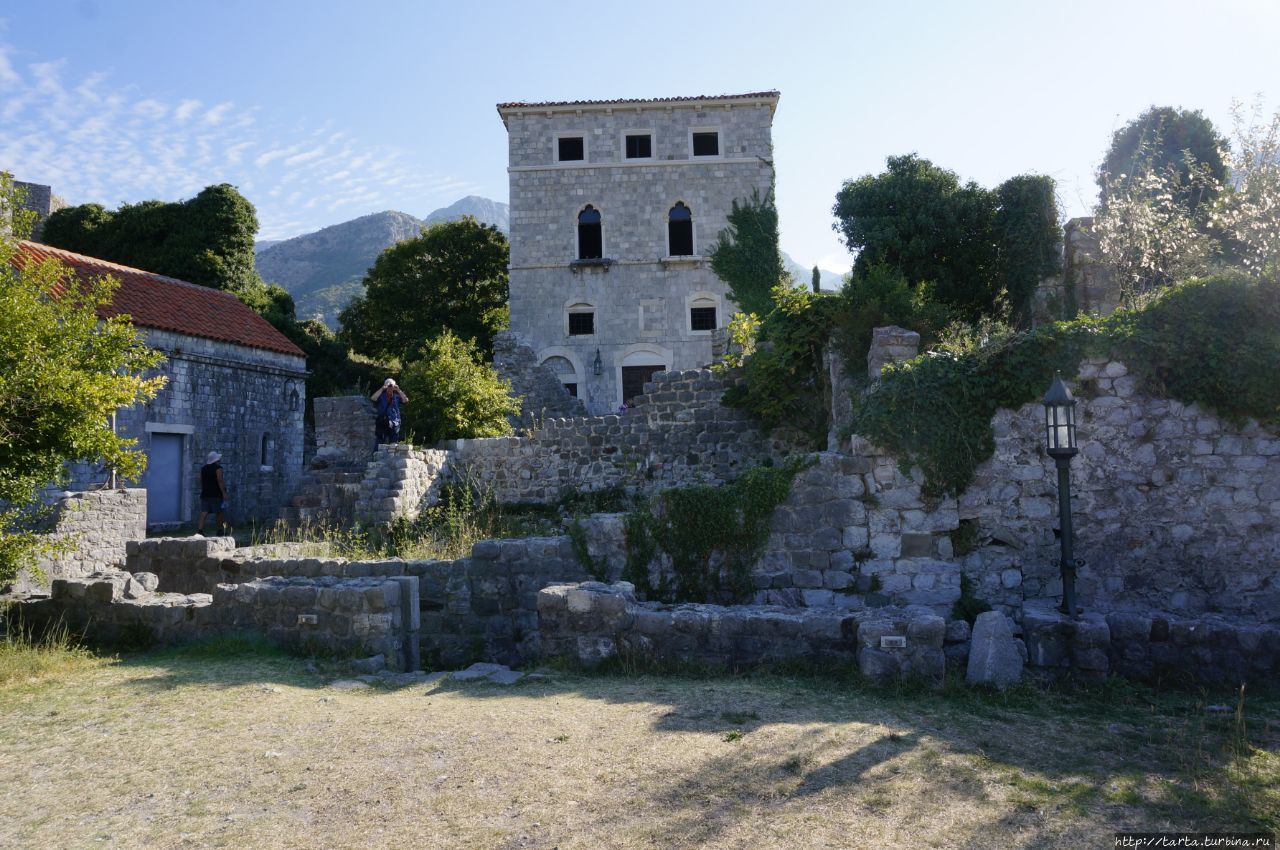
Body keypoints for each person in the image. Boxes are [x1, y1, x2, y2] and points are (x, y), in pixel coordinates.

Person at [196, 451, 228, 536]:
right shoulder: (219, 468)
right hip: (216, 494)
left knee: (204, 512)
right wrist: (224, 493)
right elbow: (220, 481)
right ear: (216, 460)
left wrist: (204, 489)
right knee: (219, 512)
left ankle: (200, 530)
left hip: (205, 493)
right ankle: (220, 531)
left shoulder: (203, 468)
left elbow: (200, 480)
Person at [372, 378, 408, 444]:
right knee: (379, 442)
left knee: (394, 443)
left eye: (392, 385)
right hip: (382, 422)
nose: (390, 387)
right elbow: (373, 398)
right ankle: (376, 454)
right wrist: (382, 388)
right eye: (388, 385)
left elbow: (405, 400)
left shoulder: (397, 396)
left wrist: (398, 390)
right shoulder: (381, 396)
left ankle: (392, 454)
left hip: (395, 421)